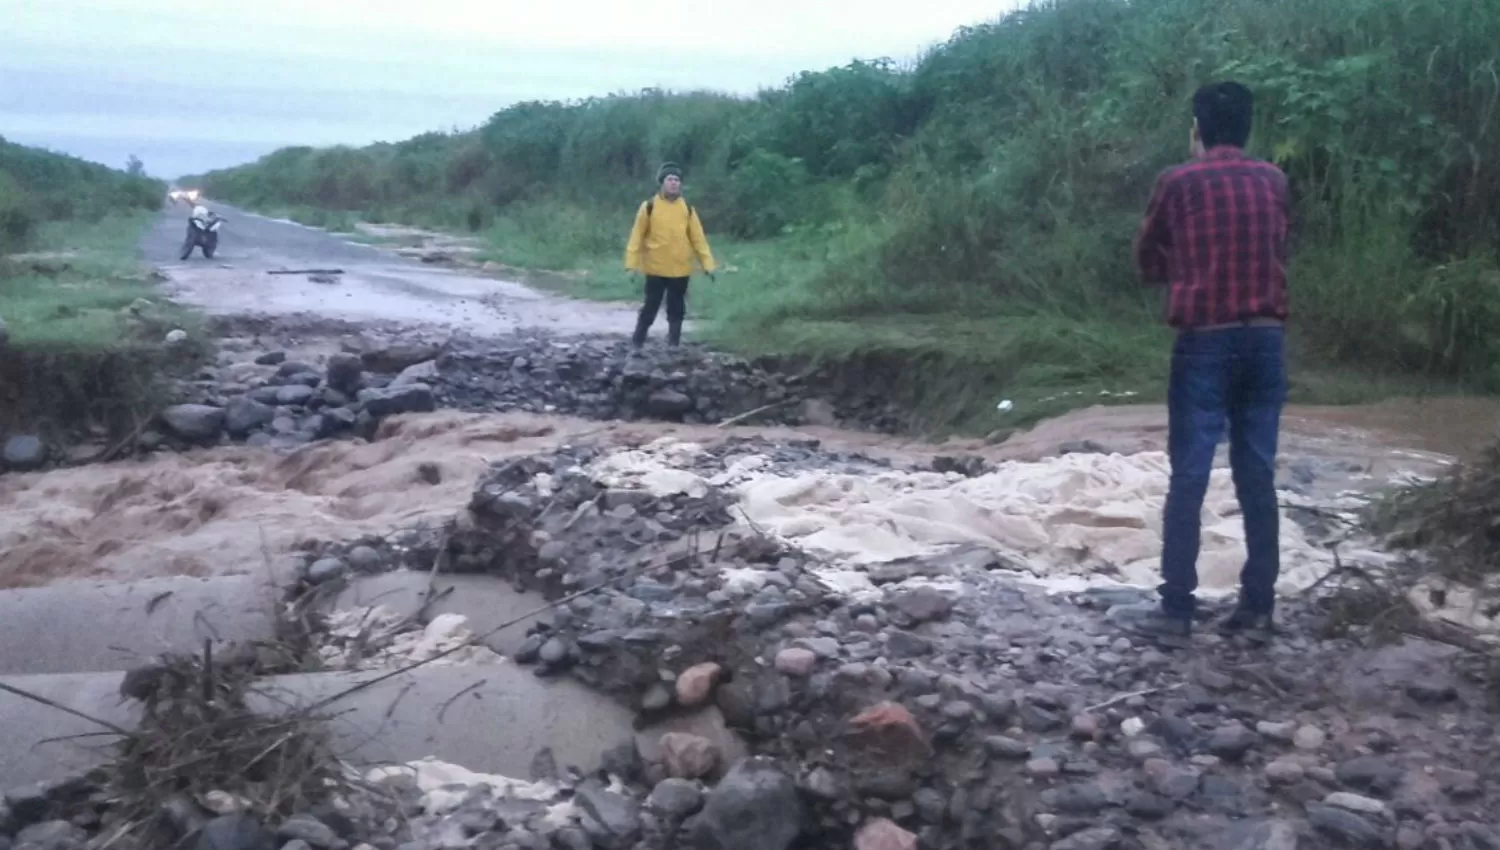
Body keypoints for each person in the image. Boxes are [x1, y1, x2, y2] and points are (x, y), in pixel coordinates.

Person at [1126, 81, 1291, 645]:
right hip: (1266, 340)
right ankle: (1259, 606)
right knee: (1257, 475)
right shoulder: (1273, 179)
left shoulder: (1177, 181)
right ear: (1248, 128)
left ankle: (1176, 611)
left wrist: (1180, 266)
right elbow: (1277, 243)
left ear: (1197, 128)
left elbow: (1147, 257)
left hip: (1205, 342)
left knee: (1191, 475)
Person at [624, 162, 717, 347]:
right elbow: (636, 237)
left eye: (677, 180)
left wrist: (708, 265)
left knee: (677, 309)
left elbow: (698, 239)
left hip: (680, 269)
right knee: (650, 307)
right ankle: (637, 343)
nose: (674, 183)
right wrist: (631, 266)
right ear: (662, 183)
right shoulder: (649, 207)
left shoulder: (687, 209)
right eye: (670, 179)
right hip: (655, 268)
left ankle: (673, 344)